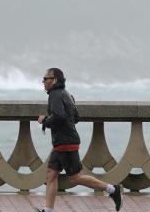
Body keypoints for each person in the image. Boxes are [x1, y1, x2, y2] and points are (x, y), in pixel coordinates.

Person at [37, 67, 123, 212]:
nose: (43, 82)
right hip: (62, 142)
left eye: (46, 79)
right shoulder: (67, 94)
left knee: (76, 177)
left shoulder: (55, 95)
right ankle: (48, 209)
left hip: (66, 144)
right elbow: (75, 118)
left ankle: (113, 190)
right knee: (51, 175)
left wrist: (45, 120)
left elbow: (59, 116)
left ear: (55, 80)